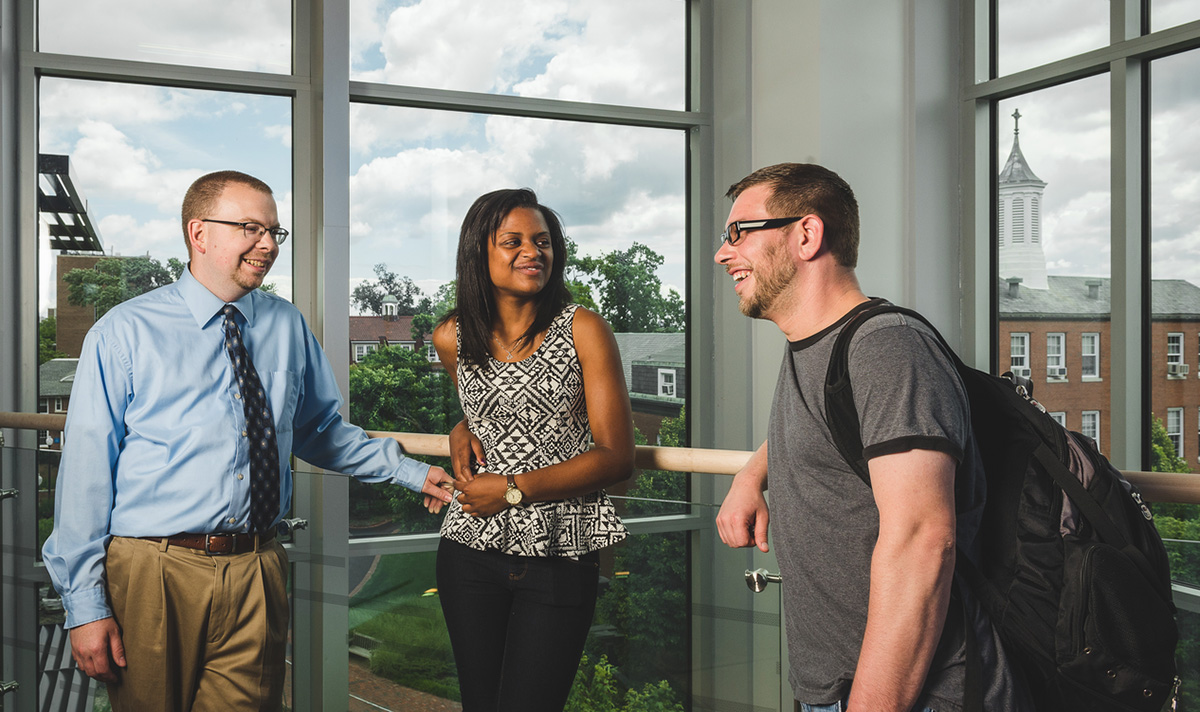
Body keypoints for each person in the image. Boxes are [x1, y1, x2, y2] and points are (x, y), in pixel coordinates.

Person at [42, 170, 453, 712]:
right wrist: (87, 607)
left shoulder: (286, 325)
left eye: (274, 233)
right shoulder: (124, 332)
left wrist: (412, 472)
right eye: (250, 228)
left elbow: (321, 430)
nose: (267, 245)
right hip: (152, 573)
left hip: (258, 567)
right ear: (199, 233)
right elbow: (86, 477)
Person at [713, 163, 1028, 711]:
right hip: (838, 690)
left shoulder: (886, 348)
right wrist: (753, 473)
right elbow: (838, 431)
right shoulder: (817, 346)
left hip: (914, 697)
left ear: (807, 235)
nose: (723, 253)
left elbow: (924, 543)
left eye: (740, 232)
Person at [431, 188, 635, 711]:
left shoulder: (584, 330)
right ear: (479, 251)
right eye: (514, 241)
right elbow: (487, 407)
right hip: (468, 551)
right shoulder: (452, 337)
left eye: (543, 242)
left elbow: (617, 457)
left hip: (561, 552)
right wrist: (461, 425)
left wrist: (513, 490)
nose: (533, 252)